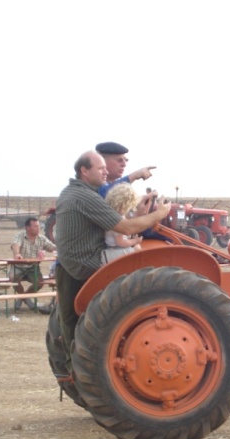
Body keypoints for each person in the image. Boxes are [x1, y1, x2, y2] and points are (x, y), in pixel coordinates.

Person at [55, 150, 171, 376]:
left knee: (69, 322)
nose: (105, 171)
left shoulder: (75, 192)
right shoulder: (85, 197)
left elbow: (115, 197)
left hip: (71, 263)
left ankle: (75, 368)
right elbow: (126, 228)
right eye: (100, 168)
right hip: (87, 262)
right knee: (145, 270)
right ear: (84, 171)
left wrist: (136, 191)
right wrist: (159, 214)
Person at [9, 216, 57, 308]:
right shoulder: (20, 236)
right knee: (12, 278)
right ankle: (26, 298)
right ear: (27, 227)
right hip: (19, 266)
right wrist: (17, 254)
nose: (38, 228)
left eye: (38, 226)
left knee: (40, 283)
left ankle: (22, 298)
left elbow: (53, 248)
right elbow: (15, 245)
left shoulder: (41, 238)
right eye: (35, 226)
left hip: (33, 268)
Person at [101, 184, 143, 264]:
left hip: (112, 247)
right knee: (138, 250)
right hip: (115, 249)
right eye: (128, 207)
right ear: (123, 205)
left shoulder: (111, 214)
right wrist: (135, 241)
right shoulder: (118, 220)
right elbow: (121, 242)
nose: (129, 209)